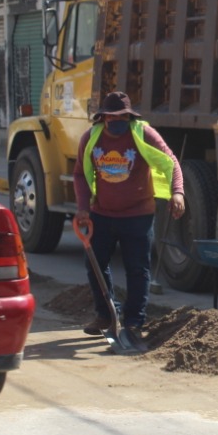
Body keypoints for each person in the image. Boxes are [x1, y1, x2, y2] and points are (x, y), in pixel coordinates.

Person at [74, 91, 185, 351]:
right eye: (112, 117)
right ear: (102, 118)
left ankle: (134, 322)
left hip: (138, 214)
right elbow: (79, 174)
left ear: (130, 116)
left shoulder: (143, 134)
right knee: (95, 266)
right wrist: (82, 208)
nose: (118, 121)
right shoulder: (90, 138)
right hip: (101, 213)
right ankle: (107, 314)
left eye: (123, 116)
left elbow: (171, 162)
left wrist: (177, 192)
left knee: (138, 269)